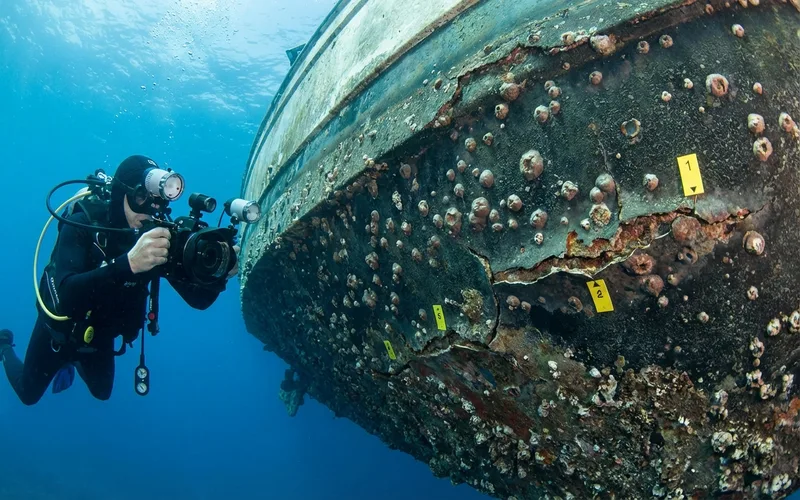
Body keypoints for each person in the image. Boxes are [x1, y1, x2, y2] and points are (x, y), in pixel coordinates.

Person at [0, 155, 237, 405]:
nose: (149, 210)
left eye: (156, 201)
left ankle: (72, 360)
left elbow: (199, 301)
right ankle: (4, 345)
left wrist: (221, 275)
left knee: (102, 392)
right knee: (28, 394)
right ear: (119, 194)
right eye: (140, 198)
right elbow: (66, 296)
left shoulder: (158, 238)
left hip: (100, 334)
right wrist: (129, 264)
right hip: (58, 331)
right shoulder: (83, 223)